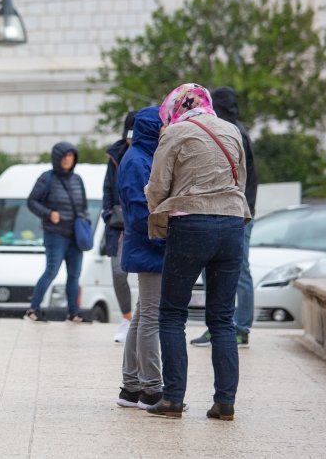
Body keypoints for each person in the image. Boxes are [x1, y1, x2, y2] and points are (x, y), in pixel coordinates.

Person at [144, 83, 250, 421]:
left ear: (175, 107)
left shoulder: (175, 133)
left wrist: (159, 212)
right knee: (222, 319)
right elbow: (241, 182)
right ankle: (225, 402)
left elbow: (158, 185)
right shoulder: (232, 131)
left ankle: (173, 399)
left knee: (173, 314)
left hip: (192, 225)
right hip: (233, 226)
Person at [191, 87, 258, 349]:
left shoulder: (234, 132)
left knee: (239, 270)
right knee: (217, 270)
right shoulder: (233, 129)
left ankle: (239, 328)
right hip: (229, 210)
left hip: (237, 212)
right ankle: (218, 326)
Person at [115, 106, 166, 410]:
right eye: (162, 128)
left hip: (146, 244)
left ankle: (131, 386)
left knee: (142, 314)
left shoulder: (141, 157)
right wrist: (162, 240)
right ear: (150, 129)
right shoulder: (137, 161)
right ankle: (151, 389)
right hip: (149, 245)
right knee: (150, 317)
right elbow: (139, 211)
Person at [26, 142, 89, 323]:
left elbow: (83, 205)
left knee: (74, 276)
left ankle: (73, 313)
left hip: (75, 236)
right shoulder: (47, 178)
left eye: (71, 156)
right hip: (55, 234)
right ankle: (33, 309)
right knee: (51, 271)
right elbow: (31, 202)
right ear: (57, 158)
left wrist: (85, 220)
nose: (68, 159)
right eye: (64, 156)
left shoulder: (77, 179)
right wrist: (48, 214)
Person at [102, 111, 136, 342]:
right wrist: (107, 213)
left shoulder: (154, 151)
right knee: (118, 271)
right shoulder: (116, 154)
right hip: (118, 223)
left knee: (149, 273)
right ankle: (127, 318)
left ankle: (146, 322)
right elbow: (107, 188)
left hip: (142, 220)